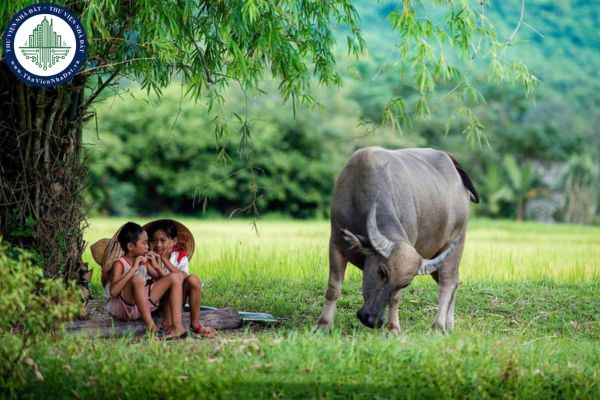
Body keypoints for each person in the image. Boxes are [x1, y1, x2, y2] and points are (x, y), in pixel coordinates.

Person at [102, 221, 188, 339]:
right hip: (123, 308)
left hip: (141, 307)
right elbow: (113, 292)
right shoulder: (119, 264)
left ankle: (177, 326)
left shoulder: (144, 261)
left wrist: (156, 265)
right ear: (131, 247)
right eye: (144, 243)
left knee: (175, 277)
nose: (148, 247)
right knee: (136, 279)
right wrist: (133, 269)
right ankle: (151, 327)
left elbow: (164, 282)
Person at [146, 219, 216, 337]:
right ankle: (168, 324)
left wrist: (164, 260)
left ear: (174, 241)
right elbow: (157, 283)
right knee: (172, 283)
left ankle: (195, 324)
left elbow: (181, 277)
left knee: (193, 279)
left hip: (176, 298)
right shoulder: (149, 258)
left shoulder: (179, 257)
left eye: (163, 241)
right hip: (156, 300)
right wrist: (157, 264)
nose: (158, 245)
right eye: (154, 240)